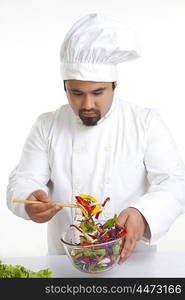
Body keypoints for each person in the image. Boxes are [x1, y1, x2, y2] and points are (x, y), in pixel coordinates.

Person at [7, 13, 185, 264]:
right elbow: (24, 179)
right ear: (64, 86)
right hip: (67, 264)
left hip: (132, 264)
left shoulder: (145, 122)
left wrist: (142, 214)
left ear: (114, 84)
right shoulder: (47, 125)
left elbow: (175, 183)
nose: (87, 104)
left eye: (98, 92)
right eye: (76, 93)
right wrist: (29, 200)